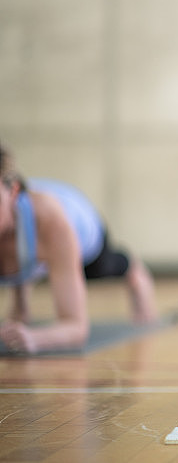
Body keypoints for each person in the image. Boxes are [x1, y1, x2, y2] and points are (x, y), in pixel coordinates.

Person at [0, 142, 158, 354]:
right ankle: (21, 301)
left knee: (101, 267)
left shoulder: (51, 219)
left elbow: (76, 327)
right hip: (22, 240)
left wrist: (36, 338)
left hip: (80, 223)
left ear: (13, 192)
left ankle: (135, 273)